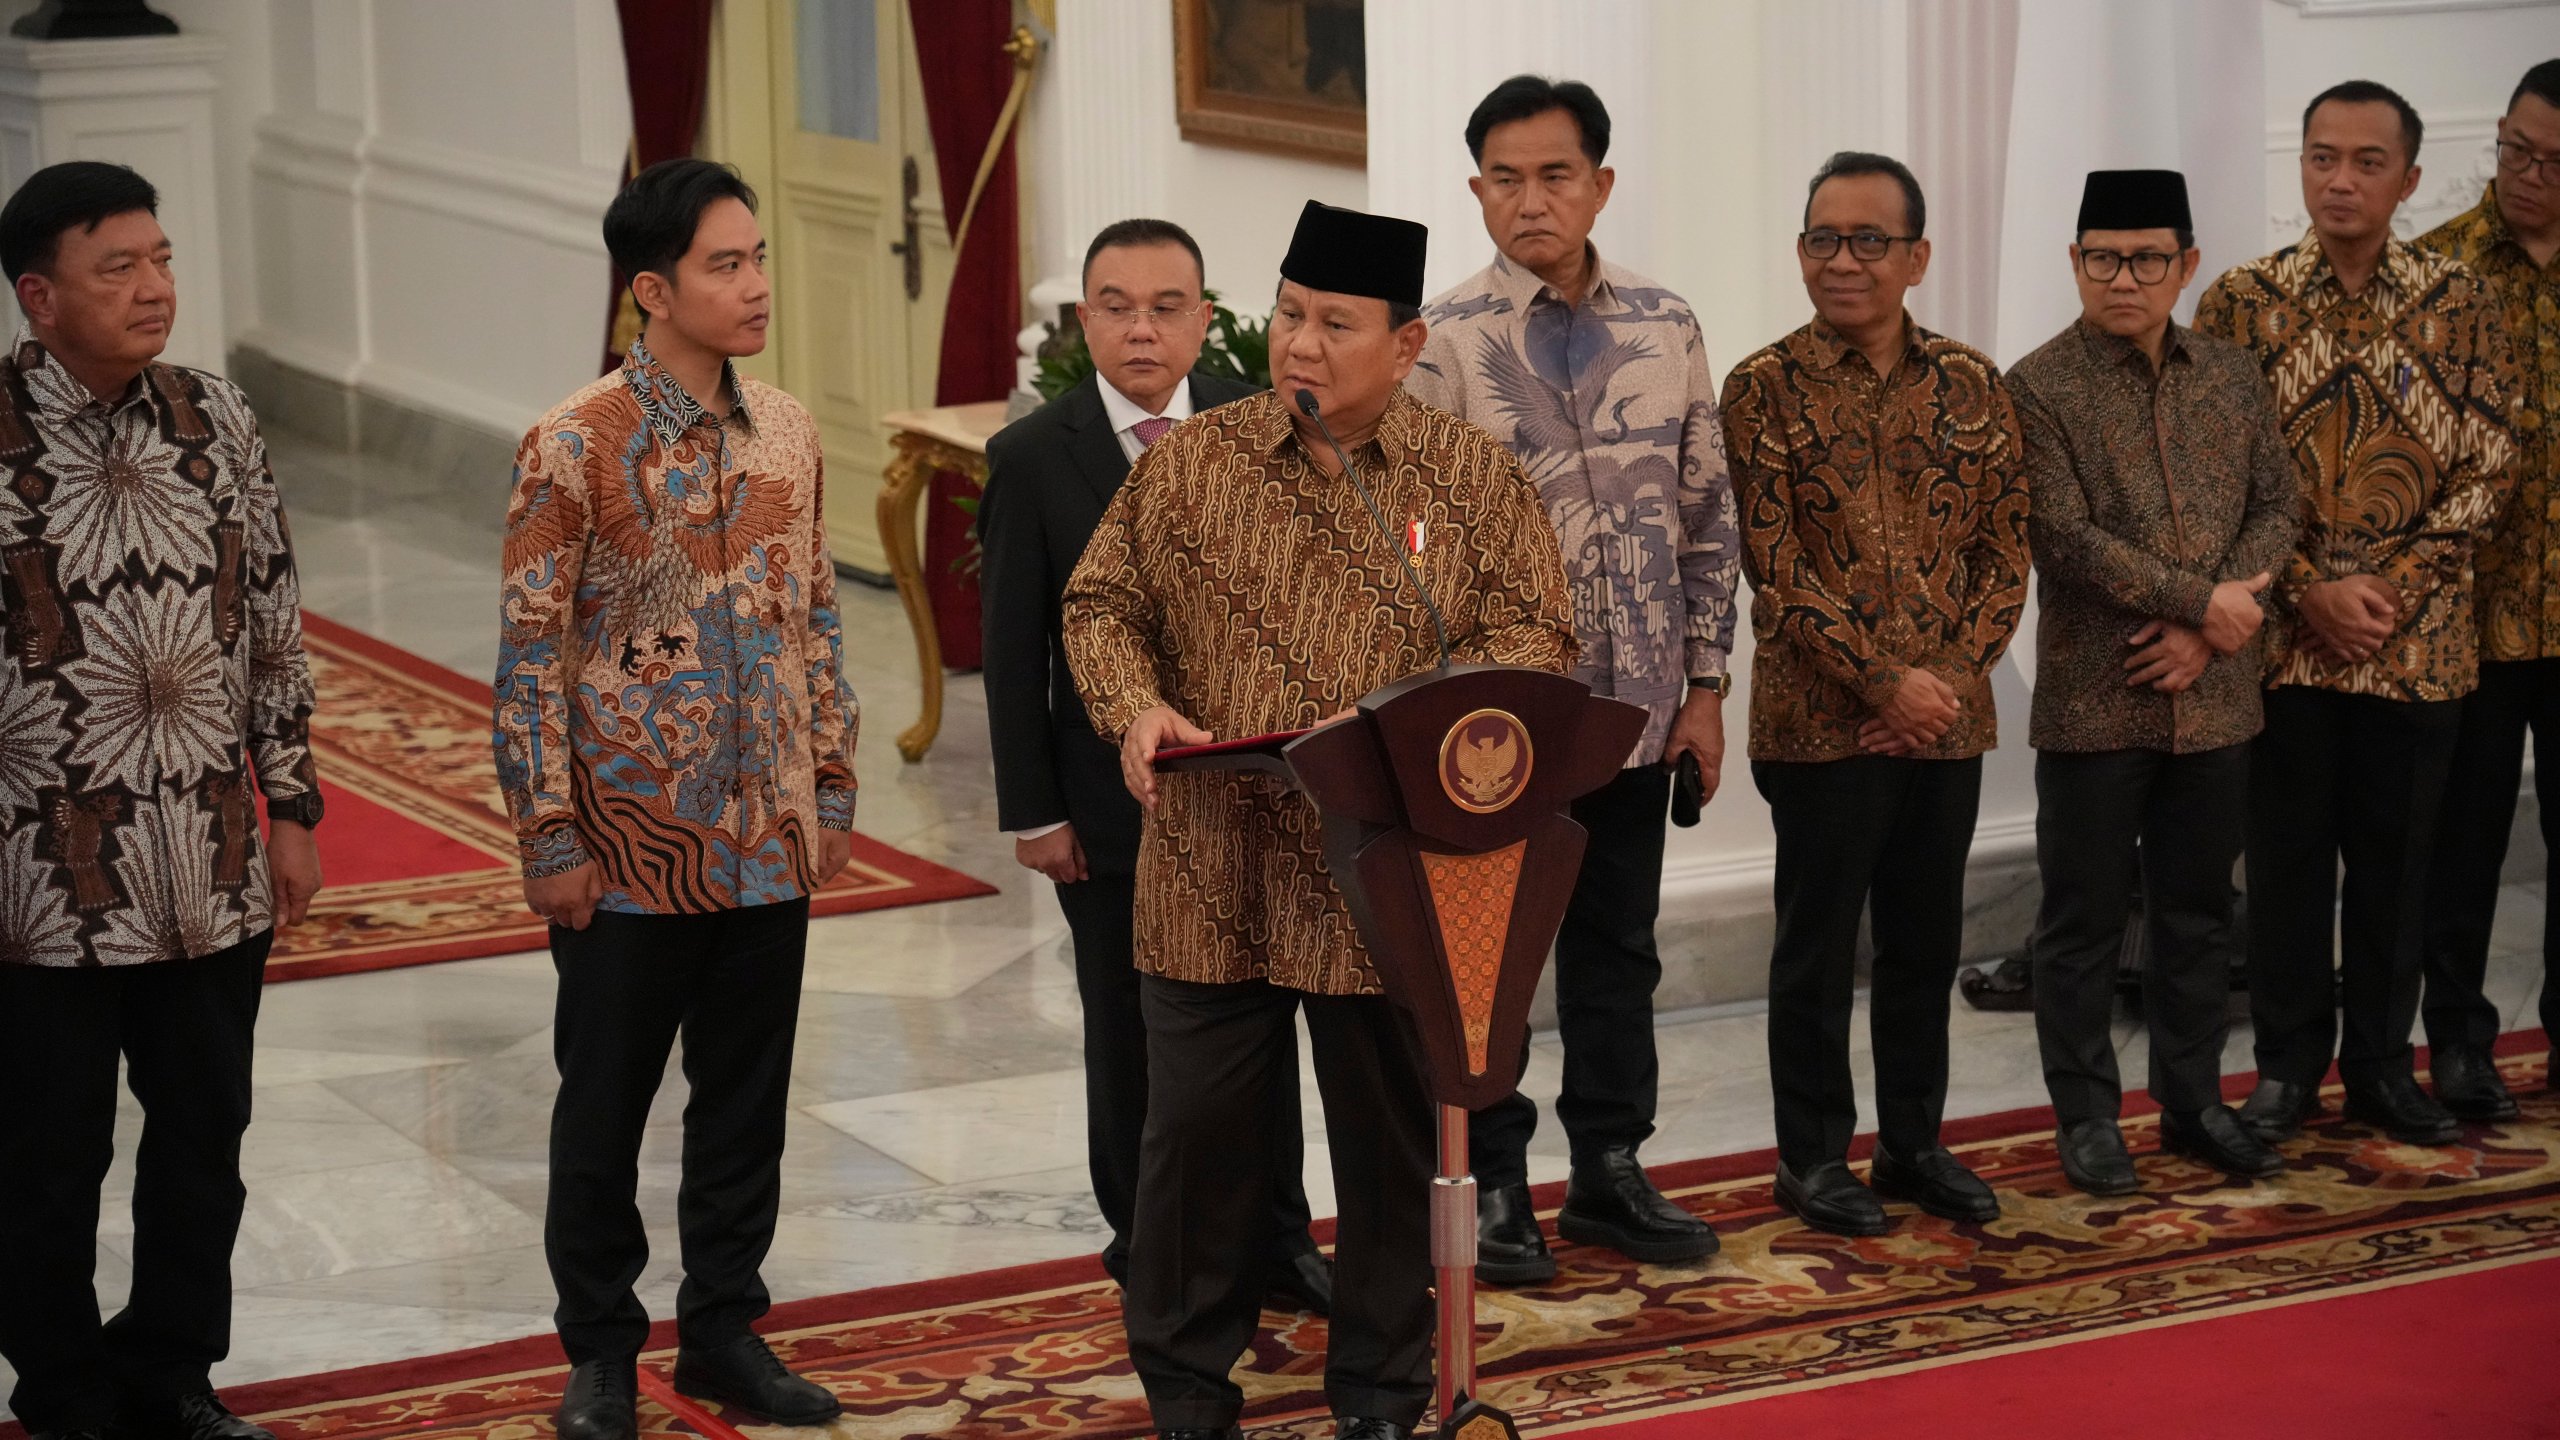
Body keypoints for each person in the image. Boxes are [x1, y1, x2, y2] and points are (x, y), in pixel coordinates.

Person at [1063, 200, 1575, 1440]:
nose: (1298, 345)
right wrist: (1135, 710)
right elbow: (1098, 606)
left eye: (1333, 324)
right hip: (1212, 860)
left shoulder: (1467, 479)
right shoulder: (1192, 461)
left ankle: (1385, 1393)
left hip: (1387, 872)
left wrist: (1419, 722)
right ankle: (1188, 1388)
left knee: (1393, 1150)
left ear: (1403, 347)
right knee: (1193, 1147)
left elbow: (1537, 639)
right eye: (1288, 314)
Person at [491, 158, 857, 1440]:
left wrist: (834, 779)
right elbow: (531, 656)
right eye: (725, 264)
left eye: (757, 257)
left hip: (768, 843)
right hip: (631, 851)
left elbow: (815, 613)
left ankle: (723, 1333)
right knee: (603, 1110)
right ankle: (597, 1354)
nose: (757, 284)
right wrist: (548, 834)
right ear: (651, 288)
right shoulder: (573, 444)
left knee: (745, 1100)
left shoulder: (792, 430)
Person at [0, 160, 324, 1440]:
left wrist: (289, 805)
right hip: (42, 881)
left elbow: (274, 618)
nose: (155, 289)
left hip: (210, 859)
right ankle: (62, 1388)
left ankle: (175, 1370)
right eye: (117, 268)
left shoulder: (217, 416)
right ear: (39, 297)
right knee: (46, 1163)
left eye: (164, 259)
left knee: (203, 1143)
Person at [1408, 74, 1734, 1283]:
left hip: (1634, 706)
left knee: (1618, 942)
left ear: (1600, 183)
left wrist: (1704, 685)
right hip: (1493, 717)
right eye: (1504, 178)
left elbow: (1707, 515)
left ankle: (1610, 1168)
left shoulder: (1668, 325)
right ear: (1477, 189)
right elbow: (1412, 540)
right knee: (1489, 955)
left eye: (1554, 175)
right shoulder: (1437, 344)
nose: (1528, 200)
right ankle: (1495, 1181)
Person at [976, 217, 1329, 1311]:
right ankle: (1148, 1249)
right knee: (1129, 1035)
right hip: (1112, 811)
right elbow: (1010, 652)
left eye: (1166, 307)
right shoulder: (1036, 458)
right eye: (1117, 307)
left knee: (1263, 1027)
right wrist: (1035, 814)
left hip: (1256, 795)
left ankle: (1279, 1242)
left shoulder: (1264, 422)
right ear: (1085, 323)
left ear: (1205, 318)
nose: (1142, 329)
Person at [2195, 82, 2518, 1147]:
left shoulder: (2464, 300)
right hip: (2283, 644)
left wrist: (2386, 593)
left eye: (2366, 162)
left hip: (2412, 644)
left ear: (2410, 180)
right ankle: (2287, 1070)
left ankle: (2384, 1067)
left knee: (2399, 866)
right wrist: (2305, 590)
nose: (2339, 179)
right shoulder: (2240, 303)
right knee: (2285, 865)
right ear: (2299, 167)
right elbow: (2218, 475)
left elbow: (2491, 463)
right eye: (2321, 157)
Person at [1722, 152, 2031, 1237]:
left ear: (1917, 258)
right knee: (1816, 948)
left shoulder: (1973, 384)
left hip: (1947, 723)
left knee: (1923, 944)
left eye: (1865, 242)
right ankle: (1809, 1158)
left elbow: (2005, 551)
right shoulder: (1759, 387)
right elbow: (1777, 566)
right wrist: (1884, 684)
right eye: (1820, 239)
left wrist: (1943, 685)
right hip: (1821, 724)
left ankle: (1912, 1143)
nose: (1840, 262)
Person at [2009, 170, 2300, 1195]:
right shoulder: (2036, 386)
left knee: (2195, 914)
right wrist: (2199, 604)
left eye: (2142, 260)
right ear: (2074, 262)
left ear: (2184, 265)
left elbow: (2277, 506)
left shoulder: (2230, 374)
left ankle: (2193, 1104)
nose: (2119, 279)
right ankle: (2086, 1118)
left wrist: (2215, 629)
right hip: (2098, 694)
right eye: (2099, 258)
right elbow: (2062, 537)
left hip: (2216, 694)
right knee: (2081, 921)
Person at [2418, 58, 2560, 1116]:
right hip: (2465, 617)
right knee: (2458, 846)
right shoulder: (2437, 274)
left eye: (2552, 163)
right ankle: (2458, 1043)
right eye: (2514, 148)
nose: (2525, 175)